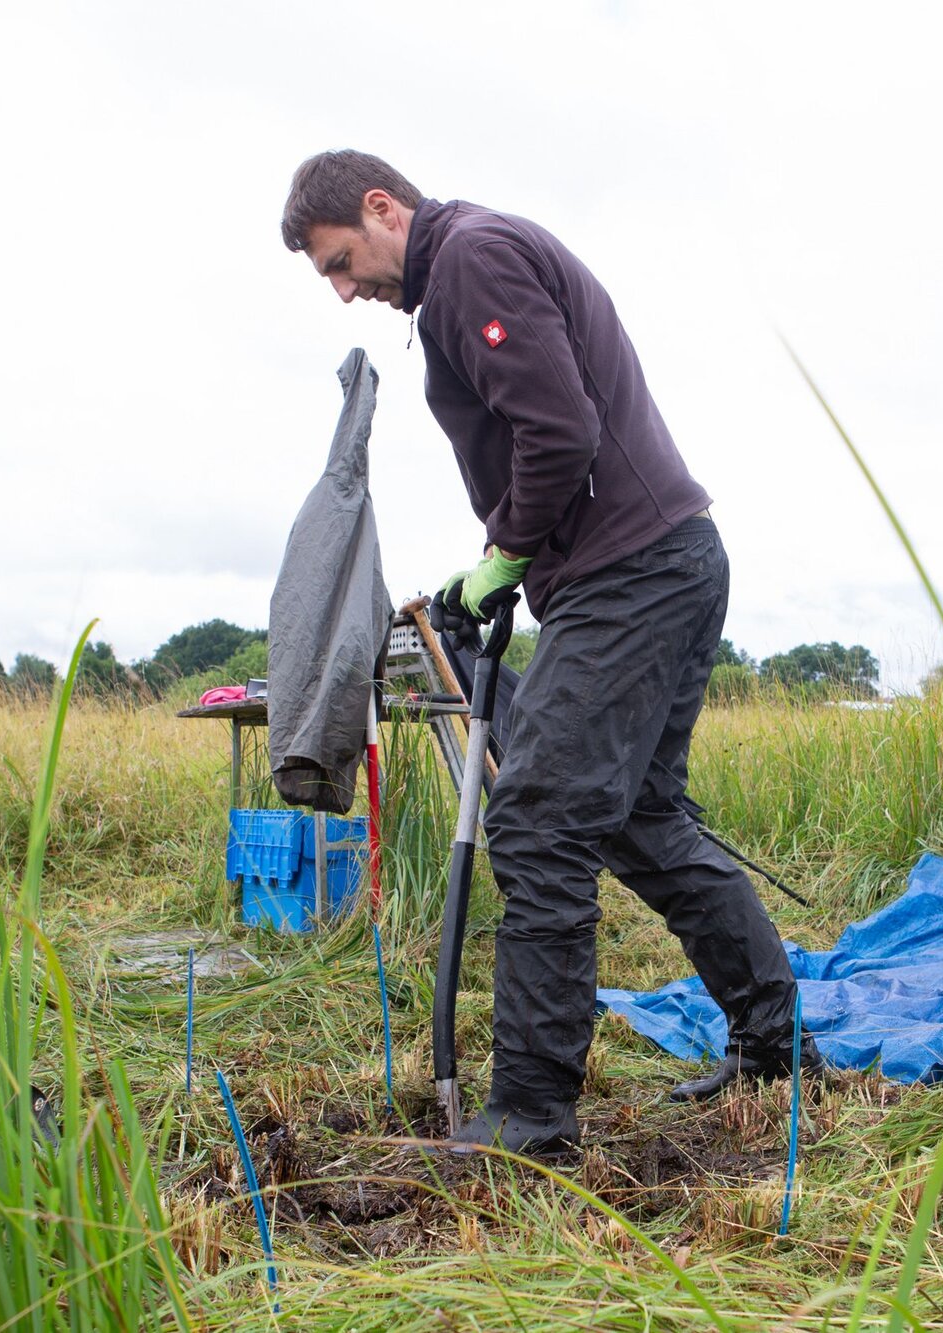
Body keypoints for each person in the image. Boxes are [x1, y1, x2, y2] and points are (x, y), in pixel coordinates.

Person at [282, 149, 819, 1154]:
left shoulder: (472, 260)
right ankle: (776, 1046)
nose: (346, 291)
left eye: (339, 262)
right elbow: (547, 434)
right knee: (643, 818)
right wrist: (500, 561)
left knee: (534, 819)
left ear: (380, 206)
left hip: (632, 573)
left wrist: (507, 552)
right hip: (655, 562)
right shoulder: (465, 266)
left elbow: (558, 430)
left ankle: (530, 1110)